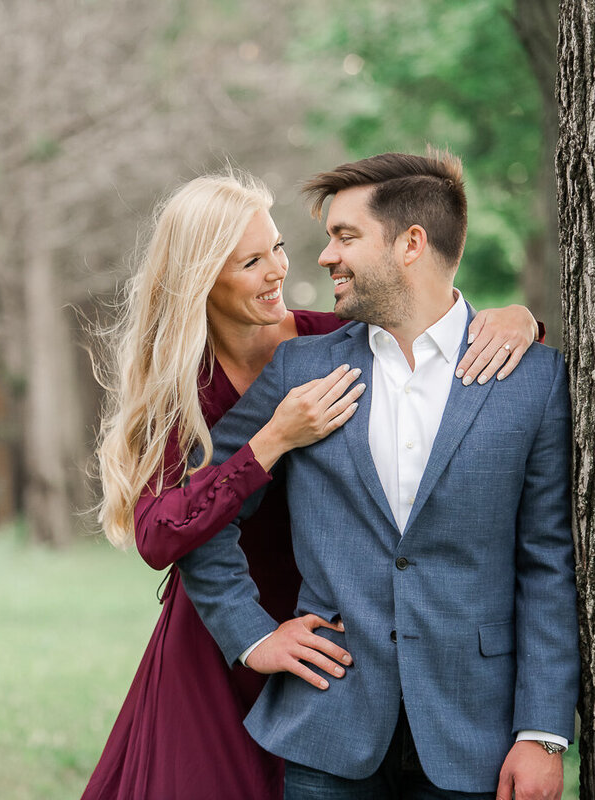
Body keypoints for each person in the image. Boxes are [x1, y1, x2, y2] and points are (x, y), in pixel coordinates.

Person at [84, 169, 542, 800]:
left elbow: (429, 335)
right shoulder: (180, 390)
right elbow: (161, 535)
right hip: (230, 626)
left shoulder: (330, 344)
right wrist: (272, 439)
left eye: (276, 247)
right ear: (202, 280)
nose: (279, 269)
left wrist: (519, 320)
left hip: (335, 625)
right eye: (252, 261)